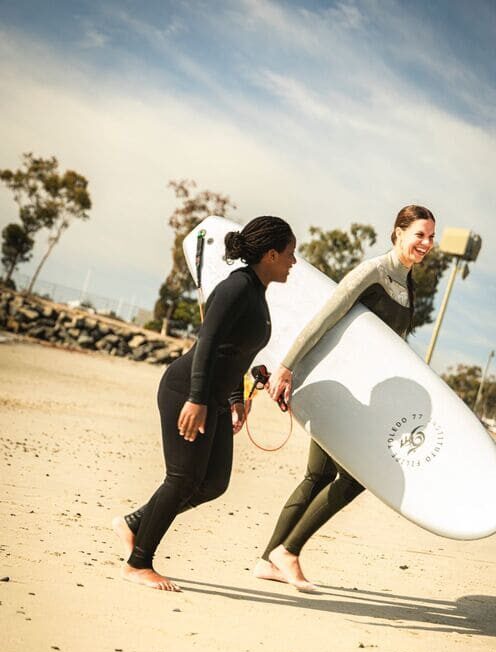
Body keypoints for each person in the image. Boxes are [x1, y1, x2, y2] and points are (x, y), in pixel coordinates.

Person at [254, 205, 436, 592]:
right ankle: (288, 552)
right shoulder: (372, 272)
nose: (426, 243)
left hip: (365, 394)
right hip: (341, 387)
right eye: (419, 234)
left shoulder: (409, 285)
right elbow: (323, 318)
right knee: (354, 476)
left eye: (431, 237)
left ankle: (268, 557)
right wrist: (286, 367)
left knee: (318, 475)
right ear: (398, 232)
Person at [113, 216, 296, 591]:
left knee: (213, 483)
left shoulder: (257, 292)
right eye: (290, 255)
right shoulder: (236, 288)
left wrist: (235, 397)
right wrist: (196, 398)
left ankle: (135, 523)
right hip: (187, 391)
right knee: (182, 478)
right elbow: (207, 344)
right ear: (271, 254)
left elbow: (233, 352)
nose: (293, 263)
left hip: (214, 396)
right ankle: (138, 563)